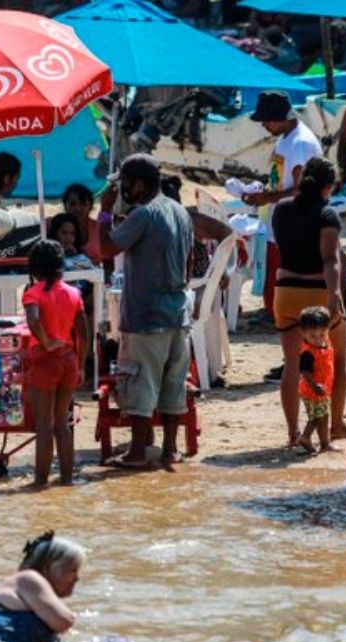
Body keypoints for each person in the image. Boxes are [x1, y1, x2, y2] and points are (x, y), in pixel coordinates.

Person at [97, 154, 192, 468]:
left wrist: (105, 213)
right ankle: (170, 450)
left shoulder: (142, 215)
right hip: (179, 313)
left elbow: (107, 250)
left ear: (137, 184)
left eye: (124, 183)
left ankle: (137, 453)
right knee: (173, 385)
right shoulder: (179, 211)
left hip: (147, 316)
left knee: (140, 384)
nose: (122, 188)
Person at [270, 157, 346, 448]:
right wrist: (334, 294)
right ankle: (337, 423)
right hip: (316, 291)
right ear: (328, 187)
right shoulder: (327, 215)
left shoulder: (280, 210)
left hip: (285, 292)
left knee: (292, 364)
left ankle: (293, 433)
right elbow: (330, 259)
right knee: (337, 358)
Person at [245, 90, 322, 382]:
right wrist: (264, 192)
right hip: (284, 226)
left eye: (266, 120)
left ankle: (302, 361)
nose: (264, 126)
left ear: (278, 118)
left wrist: (269, 197)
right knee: (285, 300)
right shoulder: (286, 140)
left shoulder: (300, 144)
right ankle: (293, 359)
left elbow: (304, 188)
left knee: (293, 300)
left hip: (298, 230)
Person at [23, 241, 87, 486]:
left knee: (44, 425)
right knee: (63, 422)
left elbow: (33, 320)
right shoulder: (74, 293)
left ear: (35, 269)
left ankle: (40, 482)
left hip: (45, 360)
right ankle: (67, 479)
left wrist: (46, 342)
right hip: (69, 359)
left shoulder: (33, 293)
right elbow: (83, 333)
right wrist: (81, 364)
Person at [297, 306, 337, 454]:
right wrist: (315, 386)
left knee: (323, 415)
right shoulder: (308, 352)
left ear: (328, 330)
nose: (318, 339)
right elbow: (305, 372)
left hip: (323, 389)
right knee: (318, 417)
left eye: (322, 334)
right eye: (313, 336)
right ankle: (307, 437)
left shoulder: (326, 343)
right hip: (313, 391)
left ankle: (324, 443)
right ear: (303, 333)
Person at [61, 183, 102, 265]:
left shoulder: (99, 228)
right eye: (73, 203)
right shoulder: (56, 227)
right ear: (65, 206)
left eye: (83, 203)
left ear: (91, 206)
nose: (78, 208)